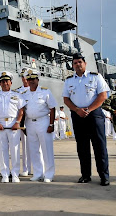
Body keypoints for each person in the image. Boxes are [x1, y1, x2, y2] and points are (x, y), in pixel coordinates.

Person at [62, 53, 110, 186]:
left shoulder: (95, 77)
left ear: (85, 63)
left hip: (94, 115)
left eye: (80, 62)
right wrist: (77, 110)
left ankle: (104, 176)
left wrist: (88, 109)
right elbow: (66, 99)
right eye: (75, 63)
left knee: (99, 147)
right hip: (78, 116)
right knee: (82, 148)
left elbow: (102, 95)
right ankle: (85, 175)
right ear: (72, 65)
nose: (78, 65)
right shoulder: (69, 80)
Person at [0, 71, 25, 183]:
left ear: (11, 82)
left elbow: (21, 110)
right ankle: (4, 174)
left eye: (7, 81)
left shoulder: (17, 95)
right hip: (0, 125)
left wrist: (17, 122)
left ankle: (15, 174)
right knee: (2, 151)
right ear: (0, 83)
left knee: (15, 150)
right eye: (2, 81)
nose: (5, 83)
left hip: (13, 125)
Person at [22, 69, 57, 183]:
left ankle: (49, 174)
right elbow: (22, 110)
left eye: (33, 79)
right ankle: (38, 173)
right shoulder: (24, 94)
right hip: (30, 123)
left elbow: (52, 108)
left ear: (38, 80)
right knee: (34, 149)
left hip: (43, 122)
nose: (31, 81)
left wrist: (51, 124)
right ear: (27, 80)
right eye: (29, 79)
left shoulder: (45, 92)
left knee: (46, 149)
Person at [15, 68, 31, 176]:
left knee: (36, 146)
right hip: (22, 121)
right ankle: (26, 168)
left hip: (33, 120)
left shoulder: (36, 90)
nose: (24, 79)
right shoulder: (17, 92)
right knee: (24, 146)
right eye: (23, 77)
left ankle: (39, 168)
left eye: (26, 77)